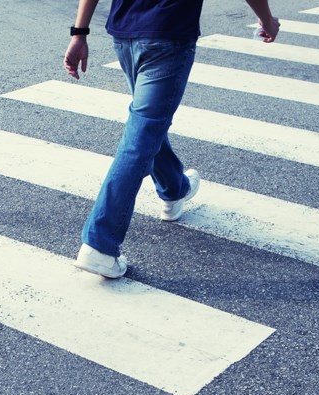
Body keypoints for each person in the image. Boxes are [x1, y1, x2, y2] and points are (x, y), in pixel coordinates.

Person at [64, 0, 280, 278]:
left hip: (125, 35)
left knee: (148, 127)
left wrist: (79, 34)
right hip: (167, 36)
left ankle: (174, 189)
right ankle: (100, 244)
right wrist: (267, 20)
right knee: (140, 139)